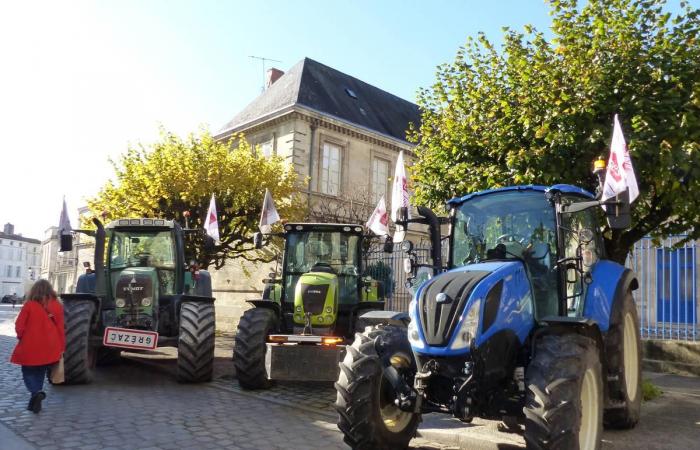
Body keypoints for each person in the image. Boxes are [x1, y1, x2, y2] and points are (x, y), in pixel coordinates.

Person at [10, 279, 65, 413]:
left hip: (31, 345)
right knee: (40, 371)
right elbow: (61, 328)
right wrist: (62, 346)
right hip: (50, 346)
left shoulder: (29, 305)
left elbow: (19, 326)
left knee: (28, 371)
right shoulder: (57, 306)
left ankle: (35, 393)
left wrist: (21, 337)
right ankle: (36, 399)